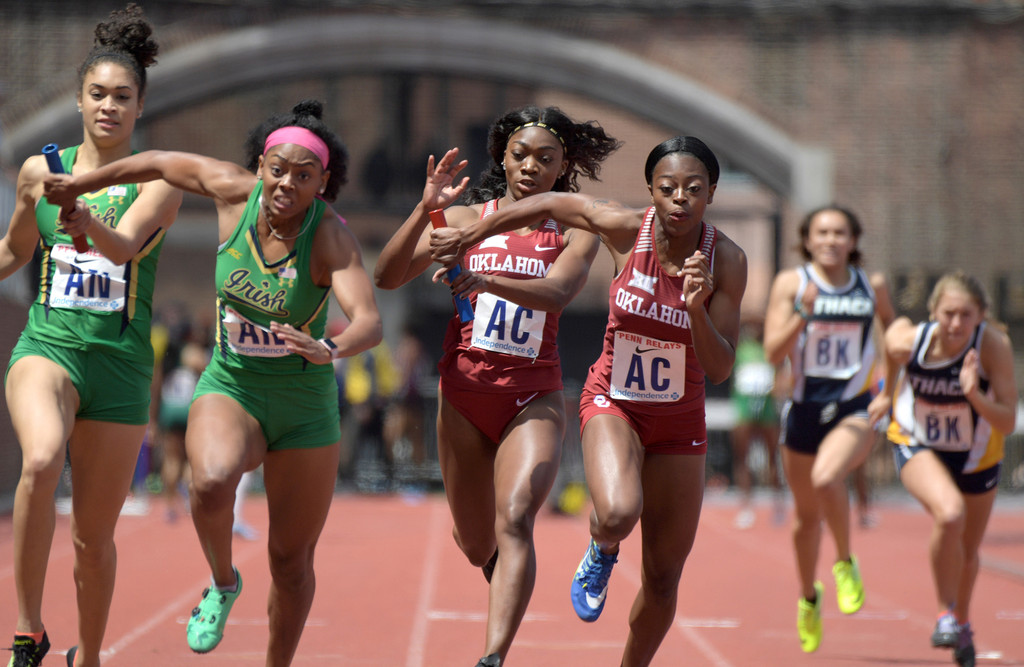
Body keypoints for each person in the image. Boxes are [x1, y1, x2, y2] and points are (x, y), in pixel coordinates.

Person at [44, 99, 382, 666]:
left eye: (304, 177)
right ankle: (223, 583)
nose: (286, 185)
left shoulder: (330, 238)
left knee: (291, 563)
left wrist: (329, 347)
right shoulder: (230, 192)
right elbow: (153, 160)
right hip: (234, 386)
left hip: (304, 403)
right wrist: (83, 182)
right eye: (278, 170)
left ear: (323, 183)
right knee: (210, 481)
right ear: (259, 166)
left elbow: (369, 320)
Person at [430, 135, 747, 667]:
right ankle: (602, 547)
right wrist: (480, 229)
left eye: (693, 189)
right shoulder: (626, 230)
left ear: (711, 193)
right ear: (651, 191)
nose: (679, 200)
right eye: (667, 188)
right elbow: (553, 203)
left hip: (680, 418)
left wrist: (696, 309)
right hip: (615, 402)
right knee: (620, 511)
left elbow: (719, 368)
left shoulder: (727, 261)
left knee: (665, 578)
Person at [375, 105, 620, 667]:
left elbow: (558, 292)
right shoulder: (461, 220)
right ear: (502, 158)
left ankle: (492, 658)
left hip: (531, 396)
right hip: (461, 397)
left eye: (546, 158)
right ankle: (498, 571)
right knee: (475, 543)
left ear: (563, 167)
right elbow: (387, 277)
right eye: (520, 155)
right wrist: (424, 210)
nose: (531, 167)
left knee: (515, 518)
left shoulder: (576, 229)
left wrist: (481, 278)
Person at [1, 6, 181, 666]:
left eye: (122, 97)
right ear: (78, 100)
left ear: (140, 107)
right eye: (98, 94)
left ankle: (92, 653)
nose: (109, 106)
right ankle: (26, 630)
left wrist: (81, 215)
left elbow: (123, 247)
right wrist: (54, 208)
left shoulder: (158, 181)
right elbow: (14, 252)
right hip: (47, 348)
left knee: (93, 537)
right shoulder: (35, 174)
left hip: (120, 367)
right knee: (43, 459)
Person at [762, 204, 897, 653]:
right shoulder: (791, 283)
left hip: (854, 408)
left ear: (853, 240)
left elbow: (896, 342)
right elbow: (771, 352)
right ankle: (808, 598)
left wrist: (889, 391)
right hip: (803, 411)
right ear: (808, 238)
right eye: (822, 232)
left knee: (827, 478)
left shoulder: (869, 285)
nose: (831, 240)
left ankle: (843, 561)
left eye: (840, 232)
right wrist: (803, 313)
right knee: (804, 520)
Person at [882, 271, 1016, 667]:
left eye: (966, 315)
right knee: (950, 511)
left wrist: (973, 393)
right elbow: (891, 344)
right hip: (917, 441)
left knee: (968, 550)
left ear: (982, 316)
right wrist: (885, 397)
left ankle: (961, 620)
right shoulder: (913, 340)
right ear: (933, 312)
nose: (956, 324)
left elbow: (1007, 422)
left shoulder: (993, 346)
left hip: (976, 456)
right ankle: (944, 613)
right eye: (949, 314)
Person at [729, 316, 784, 529]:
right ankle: (745, 507)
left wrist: (778, 388)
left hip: (767, 411)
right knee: (742, 459)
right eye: (750, 326)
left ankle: (778, 505)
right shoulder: (740, 350)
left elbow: (780, 376)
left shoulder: (769, 351)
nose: (753, 330)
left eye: (757, 326)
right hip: (744, 410)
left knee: (773, 460)